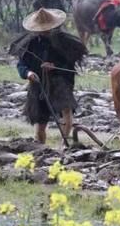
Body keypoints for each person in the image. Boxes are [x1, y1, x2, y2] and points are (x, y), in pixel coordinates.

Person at [9, 8, 87, 145]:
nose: (45, 31)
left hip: (60, 82)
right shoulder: (29, 44)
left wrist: (54, 65)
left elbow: (68, 65)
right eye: (41, 29)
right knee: (40, 122)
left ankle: (64, 145)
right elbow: (21, 65)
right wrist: (28, 73)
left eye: (48, 28)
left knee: (66, 113)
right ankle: (40, 146)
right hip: (38, 84)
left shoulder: (66, 42)